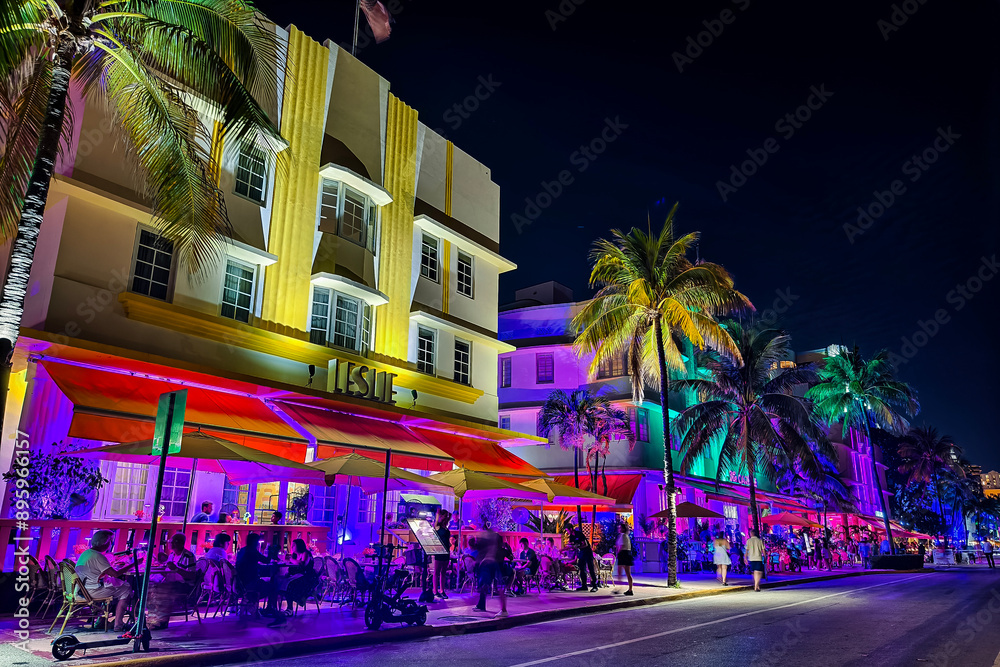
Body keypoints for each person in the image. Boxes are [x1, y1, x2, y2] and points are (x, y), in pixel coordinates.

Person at [75, 530, 133, 632]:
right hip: (91, 592)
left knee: (114, 587)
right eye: (111, 541)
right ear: (105, 542)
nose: (111, 544)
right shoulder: (98, 556)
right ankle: (118, 625)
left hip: (82, 590)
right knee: (125, 588)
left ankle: (101, 621)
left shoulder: (86, 553)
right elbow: (116, 574)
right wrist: (133, 564)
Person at [147, 534, 197, 628]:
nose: (170, 543)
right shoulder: (171, 555)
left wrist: (176, 569)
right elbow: (169, 571)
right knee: (151, 587)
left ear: (180, 543)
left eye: (172, 541)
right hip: (172, 582)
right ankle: (153, 619)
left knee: (163, 590)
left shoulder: (188, 556)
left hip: (184, 585)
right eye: (170, 541)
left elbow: (191, 575)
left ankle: (162, 621)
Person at [236, 532, 282, 625]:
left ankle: (252, 603)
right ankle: (272, 610)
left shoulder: (242, 550)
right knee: (274, 587)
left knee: (267, 584)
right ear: (255, 542)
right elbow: (267, 561)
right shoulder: (253, 551)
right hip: (250, 583)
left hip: (240, 583)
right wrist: (271, 552)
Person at [471, 523, 508, 618]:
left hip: (487, 563)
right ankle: (482, 605)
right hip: (494, 562)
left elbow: (480, 549)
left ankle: (501, 609)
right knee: (495, 586)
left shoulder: (487, 536)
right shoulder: (494, 537)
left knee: (487, 585)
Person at [283, 538, 318, 611]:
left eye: (293, 545)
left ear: (299, 546)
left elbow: (302, 564)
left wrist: (291, 560)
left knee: (290, 584)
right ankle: (288, 606)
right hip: (300, 576)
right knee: (284, 582)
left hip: (308, 577)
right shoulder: (295, 555)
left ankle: (290, 608)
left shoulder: (305, 553)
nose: (292, 547)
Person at [568, 526, 598, 592]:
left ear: (571, 529)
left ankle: (595, 585)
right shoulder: (571, 537)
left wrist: (577, 546)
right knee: (581, 568)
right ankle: (584, 585)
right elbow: (571, 545)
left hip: (587, 551)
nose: (567, 532)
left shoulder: (579, 534)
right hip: (581, 552)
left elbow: (586, 544)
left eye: (567, 530)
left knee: (590, 568)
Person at [432, 510, 452, 600]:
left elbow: (450, 515)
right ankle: (435, 591)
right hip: (439, 550)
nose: (444, 517)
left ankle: (442, 590)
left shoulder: (445, 527)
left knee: (443, 572)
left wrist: (446, 515)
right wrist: (438, 514)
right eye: (443, 516)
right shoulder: (437, 526)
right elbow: (436, 522)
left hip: (446, 550)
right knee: (436, 572)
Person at [616, 524, 635, 595]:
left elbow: (621, 546)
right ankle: (630, 589)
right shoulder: (626, 536)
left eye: (620, 527)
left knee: (620, 572)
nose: (619, 529)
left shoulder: (622, 535)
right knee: (627, 573)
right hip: (627, 553)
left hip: (623, 554)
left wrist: (618, 553)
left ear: (623, 529)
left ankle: (619, 588)